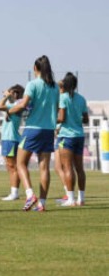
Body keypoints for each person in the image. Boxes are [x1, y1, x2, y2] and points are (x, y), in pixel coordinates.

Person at [9, 55, 59, 212]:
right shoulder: (55, 87)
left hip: (33, 129)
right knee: (44, 168)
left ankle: (30, 194)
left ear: (35, 69)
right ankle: (42, 204)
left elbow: (23, 104)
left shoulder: (32, 84)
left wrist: (11, 110)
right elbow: (56, 108)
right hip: (49, 130)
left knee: (20, 163)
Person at [56, 73, 89, 207]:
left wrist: (52, 120)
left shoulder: (63, 98)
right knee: (79, 168)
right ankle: (81, 199)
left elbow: (62, 118)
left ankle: (70, 199)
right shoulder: (82, 99)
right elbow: (86, 119)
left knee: (67, 167)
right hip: (79, 136)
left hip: (66, 136)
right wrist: (77, 119)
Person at [0, 84, 25, 201]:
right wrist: (8, 96)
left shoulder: (16, 105)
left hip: (11, 139)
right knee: (12, 167)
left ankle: (14, 193)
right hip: (10, 139)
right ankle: (14, 192)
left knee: (12, 167)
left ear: (16, 94)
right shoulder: (13, 105)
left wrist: (6, 96)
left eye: (11, 92)